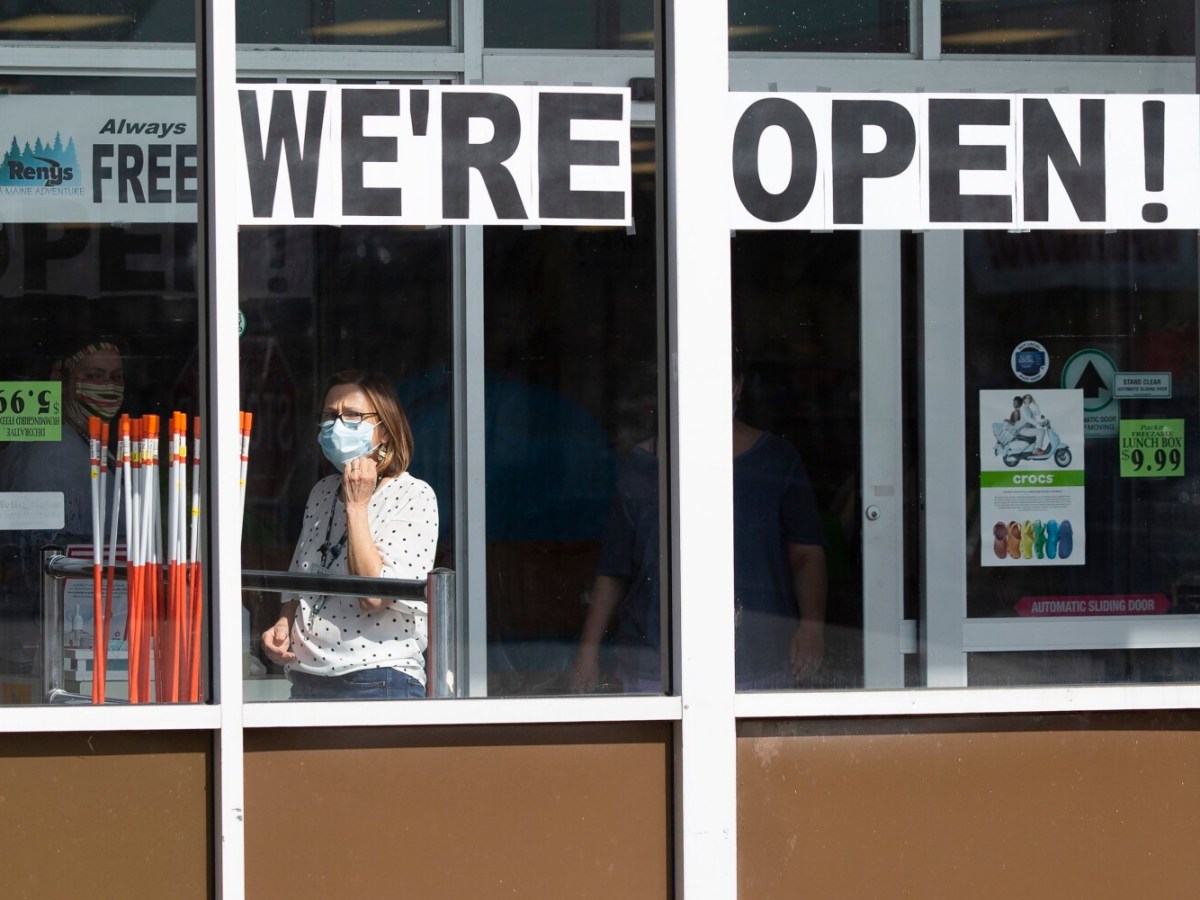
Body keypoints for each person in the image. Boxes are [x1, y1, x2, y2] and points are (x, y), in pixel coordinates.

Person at [570, 359, 827, 693]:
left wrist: (811, 627)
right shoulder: (642, 466)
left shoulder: (776, 459)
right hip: (654, 662)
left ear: (737, 387)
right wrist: (587, 653)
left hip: (757, 658)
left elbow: (807, 554)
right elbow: (614, 569)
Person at [260, 371, 438, 700]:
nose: (337, 425)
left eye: (353, 415)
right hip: (307, 677)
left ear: (385, 430)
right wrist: (284, 623)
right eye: (330, 415)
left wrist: (357, 506)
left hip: (377, 678)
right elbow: (301, 578)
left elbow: (372, 598)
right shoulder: (323, 491)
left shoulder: (412, 495)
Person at [0, 340, 125, 675]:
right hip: (51, 643)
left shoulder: (88, 444)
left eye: (116, 376)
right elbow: (37, 564)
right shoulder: (51, 457)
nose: (107, 387)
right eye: (93, 376)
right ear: (60, 378)